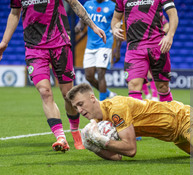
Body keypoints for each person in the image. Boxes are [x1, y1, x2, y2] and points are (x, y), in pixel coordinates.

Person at [66, 83, 193, 162]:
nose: (80, 110)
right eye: (76, 107)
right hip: (174, 135)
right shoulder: (97, 122)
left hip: (183, 118)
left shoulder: (117, 108)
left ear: (93, 98)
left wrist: (101, 141)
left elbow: (130, 150)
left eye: (81, 104)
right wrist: (95, 146)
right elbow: (118, 156)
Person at [0, 0, 106, 152]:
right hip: (34, 48)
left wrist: (94, 26)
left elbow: (75, 4)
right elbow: (14, 13)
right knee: (45, 91)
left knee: (68, 95)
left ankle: (75, 132)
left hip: (60, 45)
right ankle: (61, 137)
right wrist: (4, 42)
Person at [111, 0, 179, 102]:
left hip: (158, 47)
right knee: (133, 86)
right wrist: (115, 28)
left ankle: (169, 115)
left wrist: (170, 35)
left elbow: (173, 13)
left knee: (163, 87)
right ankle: (139, 117)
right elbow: (116, 18)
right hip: (134, 48)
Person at [75, 0, 122, 101]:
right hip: (90, 45)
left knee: (101, 73)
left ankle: (102, 104)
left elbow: (119, 27)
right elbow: (82, 19)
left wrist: (117, 49)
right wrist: (79, 26)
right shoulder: (88, 4)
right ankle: (108, 93)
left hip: (105, 44)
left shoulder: (113, 6)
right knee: (89, 76)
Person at [142, 15, 170, 101]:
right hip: (140, 45)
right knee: (142, 73)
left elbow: (167, 25)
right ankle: (147, 95)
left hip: (155, 46)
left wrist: (159, 34)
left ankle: (154, 96)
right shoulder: (137, 13)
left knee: (153, 72)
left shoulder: (158, 14)